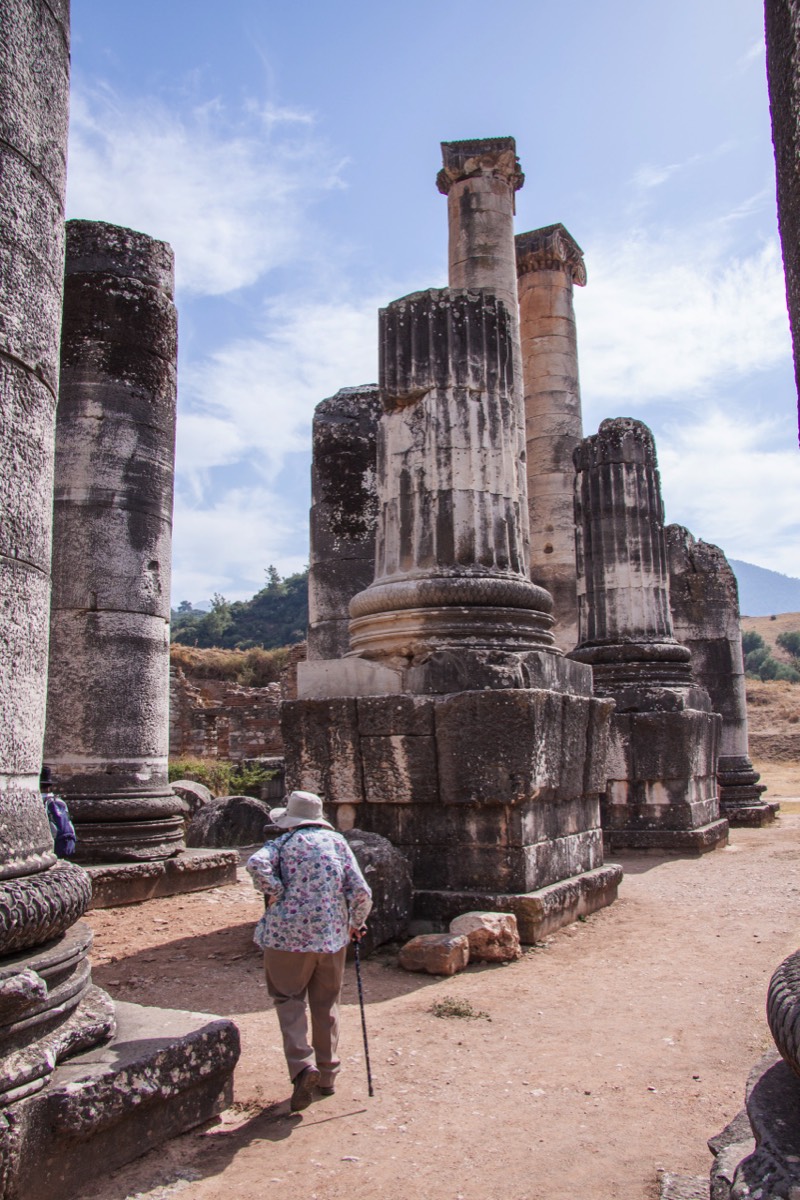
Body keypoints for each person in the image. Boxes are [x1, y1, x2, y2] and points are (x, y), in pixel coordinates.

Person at [246, 790, 372, 1112]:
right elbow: (361, 890)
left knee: (288, 999)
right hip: (331, 936)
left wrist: (276, 891)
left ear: (290, 819)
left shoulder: (282, 844)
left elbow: (256, 863)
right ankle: (328, 1075)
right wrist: (356, 923)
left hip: (286, 937)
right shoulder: (338, 844)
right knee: (326, 1003)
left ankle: (303, 1067)